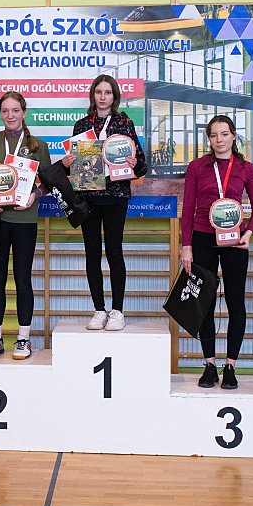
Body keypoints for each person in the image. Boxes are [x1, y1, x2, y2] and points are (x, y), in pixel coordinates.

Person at [180, 115, 253, 390]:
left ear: (233, 136)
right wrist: (186, 246)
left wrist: (248, 235)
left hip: (234, 240)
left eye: (225, 134)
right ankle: (209, 365)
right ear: (209, 139)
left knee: (235, 303)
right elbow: (188, 209)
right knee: (204, 302)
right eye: (214, 135)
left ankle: (230, 366)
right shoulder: (197, 167)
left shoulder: (246, 168)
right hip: (203, 238)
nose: (219, 140)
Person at [61, 74, 147, 331]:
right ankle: (99, 309)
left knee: (114, 251)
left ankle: (117, 311)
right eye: (99, 92)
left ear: (114, 96)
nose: (102, 97)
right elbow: (74, 168)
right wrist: (68, 164)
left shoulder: (124, 123)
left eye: (107, 92)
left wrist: (134, 163)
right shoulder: (81, 125)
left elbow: (141, 165)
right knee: (91, 253)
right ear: (93, 95)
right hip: (88, 197)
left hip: (116, 197)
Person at [0, 92, 51, 360]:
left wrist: (34, 196)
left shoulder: (38, 145)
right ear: (0, 114)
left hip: (25, 221)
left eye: (15, 110)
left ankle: (23, 339)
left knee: (23, 279)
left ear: (24, 112)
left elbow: (48, 184)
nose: (10, 115)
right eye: (5, 111)